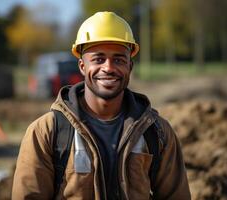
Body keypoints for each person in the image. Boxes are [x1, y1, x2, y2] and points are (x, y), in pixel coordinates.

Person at [12, 11, 191, 200]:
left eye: (119, 60)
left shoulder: (157, 133)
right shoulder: (46, 132)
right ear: (82, 66)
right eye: (98, 59)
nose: (108, 67)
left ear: (130, 66)